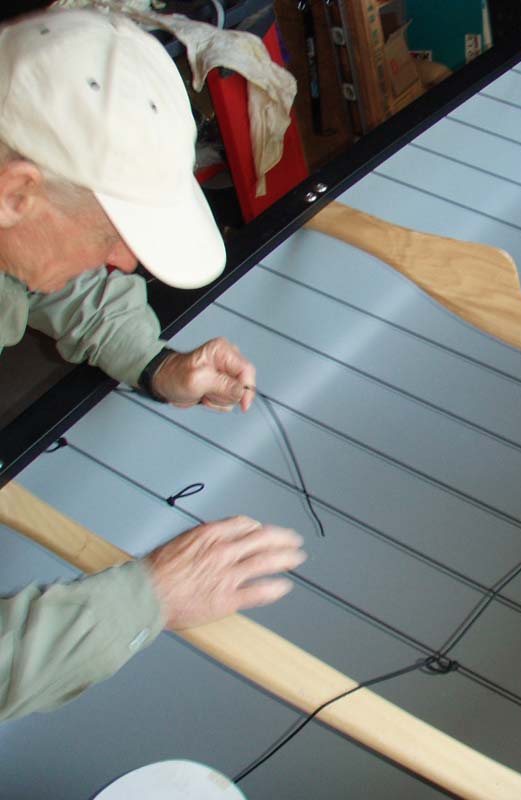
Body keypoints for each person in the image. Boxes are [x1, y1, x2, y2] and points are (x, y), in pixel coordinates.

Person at [0, 8, 307, 721]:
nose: (125, 261)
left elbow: (46, 274)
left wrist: (154, 363)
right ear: (16, 192)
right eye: (113, 233)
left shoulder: (20, 212)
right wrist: (150, 598)